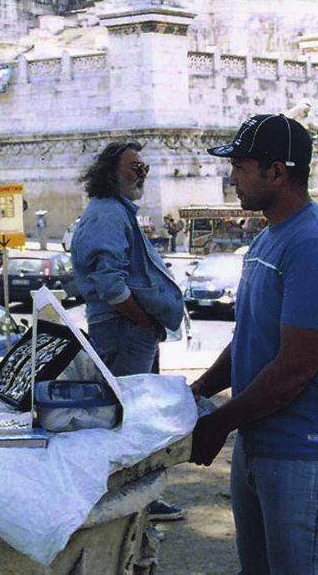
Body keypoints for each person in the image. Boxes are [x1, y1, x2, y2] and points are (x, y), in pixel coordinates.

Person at [189, 113, 318, 574]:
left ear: (276, 173)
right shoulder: (270, 238)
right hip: (262, 443)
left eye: (240, 167)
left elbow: (294, 369)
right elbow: (249, 336)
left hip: (309, 452)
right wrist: (198, 391)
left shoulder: (316, 245)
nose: (232, 179)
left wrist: (218, 424)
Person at [70, 140, 186, 522]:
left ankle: (139, 499)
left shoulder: (117, 212)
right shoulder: (107, 214)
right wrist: (140, 320)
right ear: (110, 172)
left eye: (144, 167)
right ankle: (128, 501)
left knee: (135, 412)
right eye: (134, 167)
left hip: (131, 328)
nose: (142, 174)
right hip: (122, 329)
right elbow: (110, 283)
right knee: (128, 415)